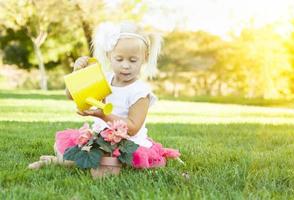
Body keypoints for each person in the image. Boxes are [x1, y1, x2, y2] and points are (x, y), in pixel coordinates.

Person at [28, 21, 181, 170]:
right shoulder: (105, 79)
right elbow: (72, 95)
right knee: (75, 148)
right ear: (109, 56)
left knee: (106, 161)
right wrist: (77, 72)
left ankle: (55, 161)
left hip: (126, 142)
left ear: (144, 58)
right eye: (119, 59)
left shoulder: (140, 92)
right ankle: (64, 159)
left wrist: (103, 116)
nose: (125, 65)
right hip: (99, 137)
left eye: (133, 60)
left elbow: (133, 127)